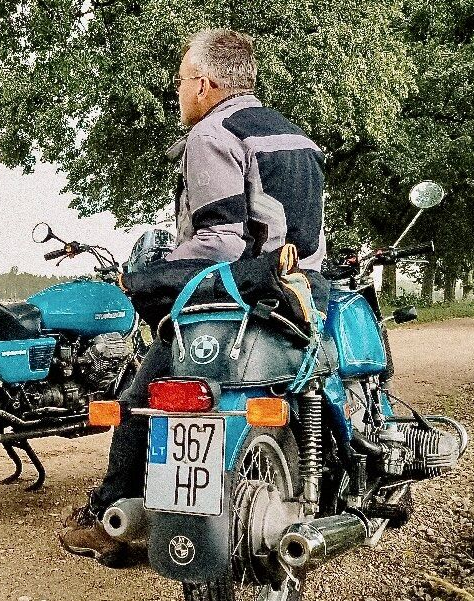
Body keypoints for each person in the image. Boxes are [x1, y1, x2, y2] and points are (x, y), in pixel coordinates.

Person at [58, 28, 328, 567]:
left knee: (141, 398)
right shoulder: (299, 138)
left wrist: (151, 275)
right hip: (302, 295)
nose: (178, 91)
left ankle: (109, 519)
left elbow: (221, 241)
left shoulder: (211, 135)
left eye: (181, 80)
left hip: (235, 301)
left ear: (204, 84)